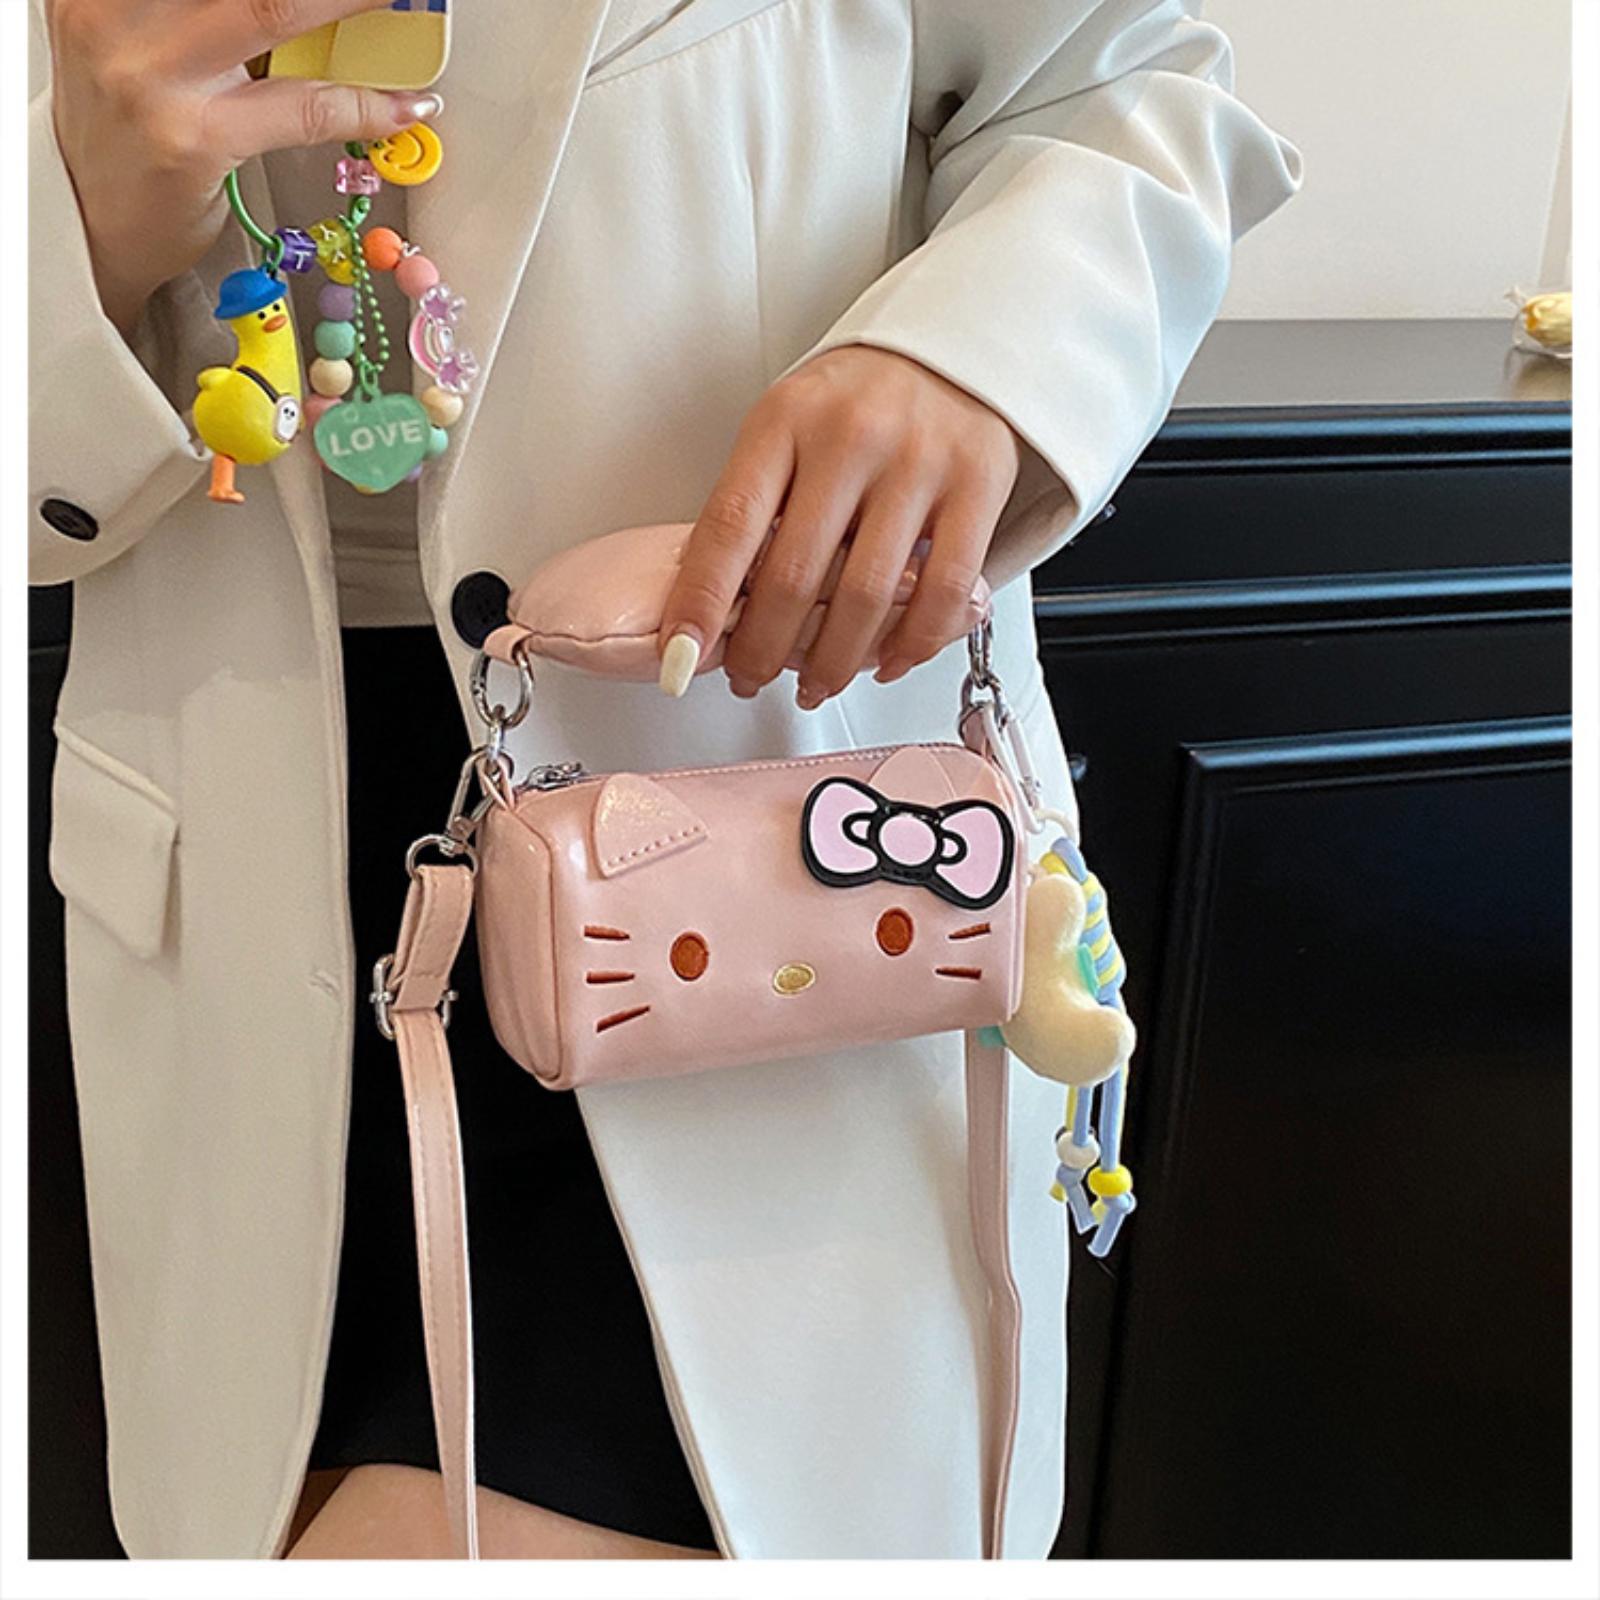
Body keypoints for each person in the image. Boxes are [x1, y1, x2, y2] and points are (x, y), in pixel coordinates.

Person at [29, 0, 1301, 1561]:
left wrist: (976, 358)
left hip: (757, 843)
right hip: (252, 892)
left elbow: (1122, 87)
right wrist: (81, 220)